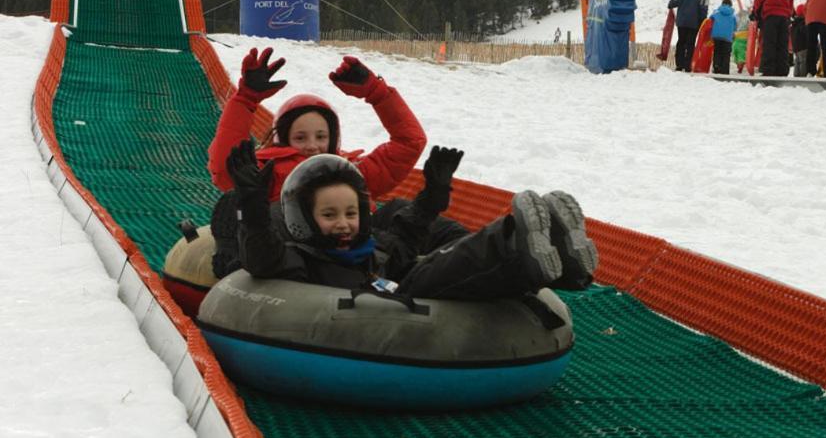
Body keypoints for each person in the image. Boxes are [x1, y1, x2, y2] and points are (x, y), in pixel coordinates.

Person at [226, 140, 597, 300]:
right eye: (329, 215)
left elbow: (406, 233)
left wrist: (431, 198)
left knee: (439, 259)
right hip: (379, 316)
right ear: (303, 220)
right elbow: (261, 256)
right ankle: (513, 240)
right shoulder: (300, 259)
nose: (343, 223)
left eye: (351, 213)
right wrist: (252, 206)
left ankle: (560, 264)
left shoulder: (375, 251)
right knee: (434, 273)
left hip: (399, 298)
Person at [206, 47, 427, 276]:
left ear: (333, 138)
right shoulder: (268, 171)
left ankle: (459, 261)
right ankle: (232, 259)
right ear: (284, 138)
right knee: (237, 202)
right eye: (300, 138)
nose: (312, 145)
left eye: (321, 137)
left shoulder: (351, 173)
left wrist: (376, 92)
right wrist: (246, 98)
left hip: (357, 248)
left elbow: (409, 143)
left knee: (401, 209)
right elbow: (225, 168)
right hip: (295, 253)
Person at [750, 0, 794, 76]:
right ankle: (782, 70)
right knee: (782, 45)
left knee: (769, 43)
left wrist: (755, 13)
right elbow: (791, 7)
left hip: (770, 17)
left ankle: (768, 70)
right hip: (784, 19)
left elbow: (758, 0)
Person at [668, 0, 708, 72]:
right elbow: (704, 9)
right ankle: (687, 66)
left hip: (681, 22)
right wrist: (702, 22)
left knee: (681, 42)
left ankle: (679, 65)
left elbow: (671, 3)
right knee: (690, 44)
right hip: (694, 24)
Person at [707, 0, 738, 74]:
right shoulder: (733, 15)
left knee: (717, 52)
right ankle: (725, 70)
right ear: (730, 5)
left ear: (722, 4)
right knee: (726, 54)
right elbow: (735, 26)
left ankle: (717, 67)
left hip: (717, 35)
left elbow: (710, 20)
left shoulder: (716, 12)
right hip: (727, 37)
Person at [790, 2, 809, 77]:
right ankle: (802, 76)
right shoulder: (804, 22)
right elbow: (806, 33)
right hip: (803, 46)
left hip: (796, 46)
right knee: (803, 61)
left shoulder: (794, 23)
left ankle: (796, 75)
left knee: (797, 61)